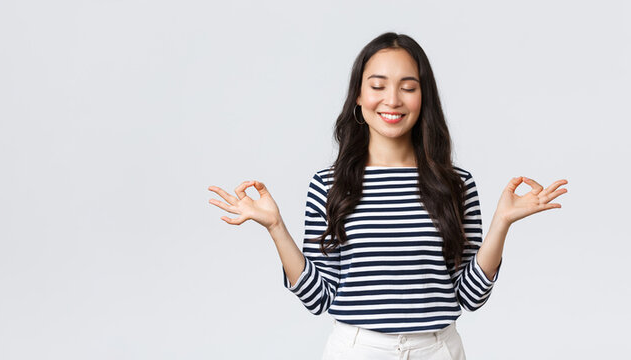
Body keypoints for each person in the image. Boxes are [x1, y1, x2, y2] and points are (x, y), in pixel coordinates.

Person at [206, 32, 568, 359]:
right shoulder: (328, 185)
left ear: (424, 98)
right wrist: (275, 227)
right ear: (358, 97)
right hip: (357, 349)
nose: (392, 100)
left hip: (438, 349)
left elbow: (470, 296)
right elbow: (320, 298)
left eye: (408, 87)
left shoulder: (456, 184)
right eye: (378, 86)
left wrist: (501, 224)